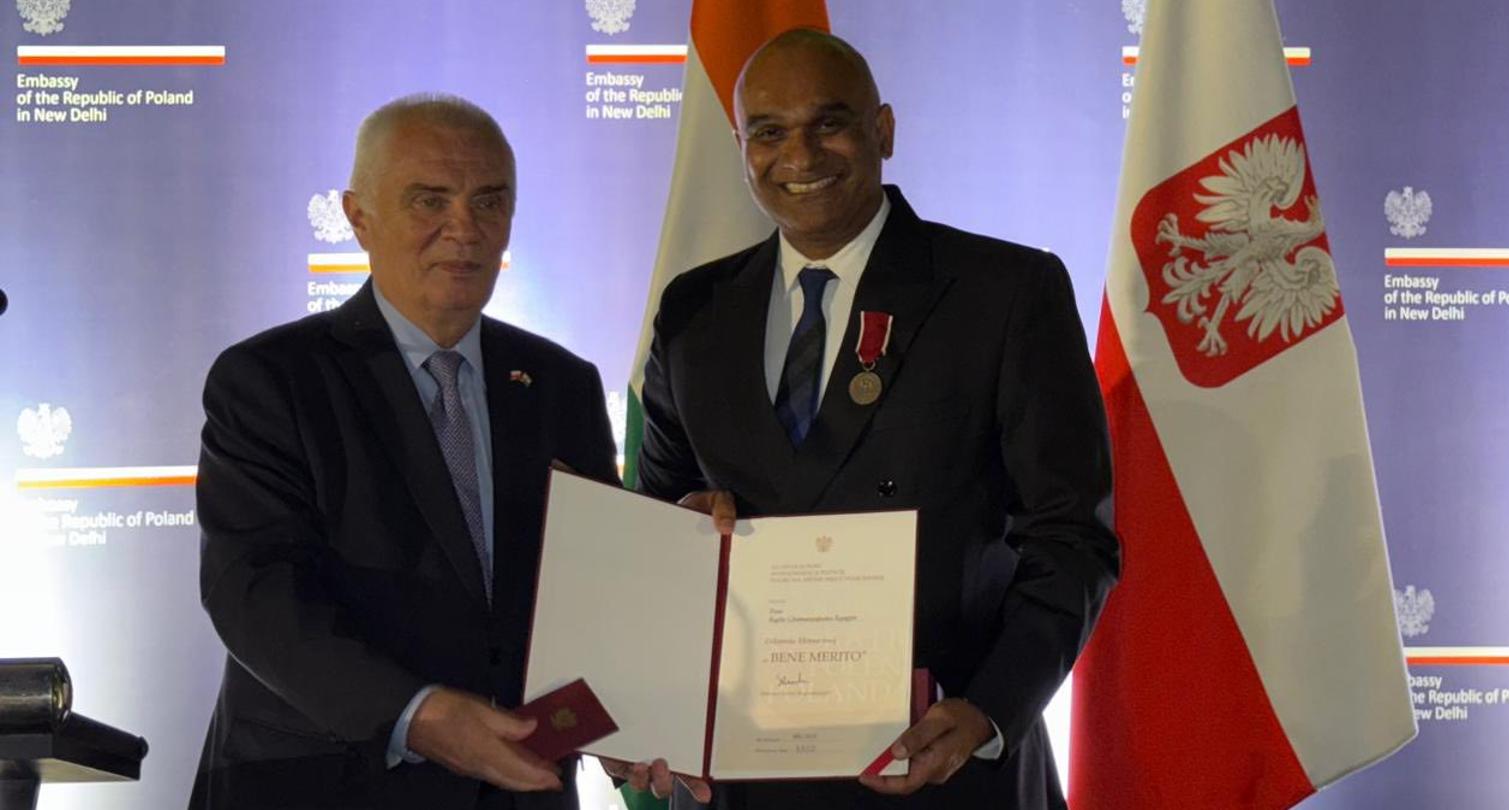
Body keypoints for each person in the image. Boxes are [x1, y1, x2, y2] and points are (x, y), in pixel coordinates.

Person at [627, 29, 1120, 809]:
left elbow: (1072, 536)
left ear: (882, 130)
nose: (800, 155)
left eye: (829, 123)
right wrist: (683, 530)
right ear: (740, 147)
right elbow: (655, 519)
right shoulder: (695, 310)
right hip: (746, 780)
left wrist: (989, 710)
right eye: (768, 132)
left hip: (946, 768)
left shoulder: (1005, 292)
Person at [189, 94, 626, 809]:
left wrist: (643, 720)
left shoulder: (562, 384)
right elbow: (253, 594)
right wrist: (420, 716)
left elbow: (599, 590)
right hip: (320, 787)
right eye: (430, 200)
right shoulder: (271, 380)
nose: (465, 229)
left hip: (519, 791)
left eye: (490, 201)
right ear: (358, 216)